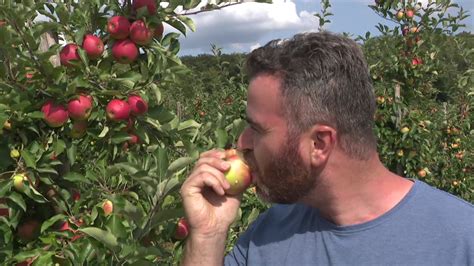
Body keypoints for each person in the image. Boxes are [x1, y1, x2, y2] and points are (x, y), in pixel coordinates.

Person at [179, 31, 474, 265]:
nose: (241, 143)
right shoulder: (265, 238)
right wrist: (208, 235)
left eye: (257, 129)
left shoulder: (462, 242)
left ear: (319, 144)